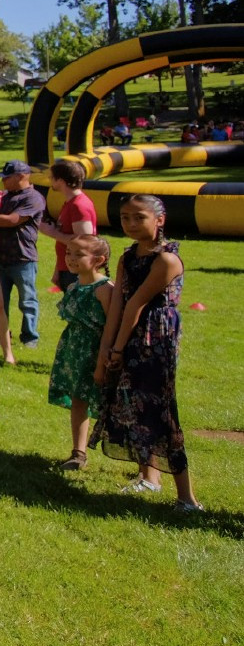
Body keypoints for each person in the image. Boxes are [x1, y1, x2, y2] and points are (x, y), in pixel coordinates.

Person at [92, 195, 201, 510]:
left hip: (155, 339)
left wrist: (118, 347)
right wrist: (107, 350)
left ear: (160, 220)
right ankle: (149, 477)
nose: (130, 224)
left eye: (138, 217)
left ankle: (187, 499)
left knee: (162, 411)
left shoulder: (166, 260)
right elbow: (117, 307)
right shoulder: (127, 257)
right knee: (132, 403)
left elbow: (137, 305)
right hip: (127, 335)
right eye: (125, 217)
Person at [47, 234, 112, 471]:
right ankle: (78, 452)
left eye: (79, 254)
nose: (71, 259)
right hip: (74, 351)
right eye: (68, 253)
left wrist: (103, 360)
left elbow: (110, 327)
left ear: (99, 260)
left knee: (111, 403)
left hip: (96, 352)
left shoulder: (105, 289)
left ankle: (139, 460)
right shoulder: (74, 285)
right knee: (78, 399)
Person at [0, 160, 44, 362]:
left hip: (23, 257)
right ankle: (1, 335)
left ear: (21, 176)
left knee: (27, 300)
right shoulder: (4, 197)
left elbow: (13, 220)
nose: (3, 182)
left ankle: (30, 337)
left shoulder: (34, 198)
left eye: (7, 178)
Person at [39, 159, 98, 292]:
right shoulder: (70, 203)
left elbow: (84, 241)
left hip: (77, 270)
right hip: (68, 268)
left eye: (51, 177)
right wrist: (58, 270)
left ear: (60, 180)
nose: (49, 180)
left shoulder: (79, 205)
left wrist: (51, 232)